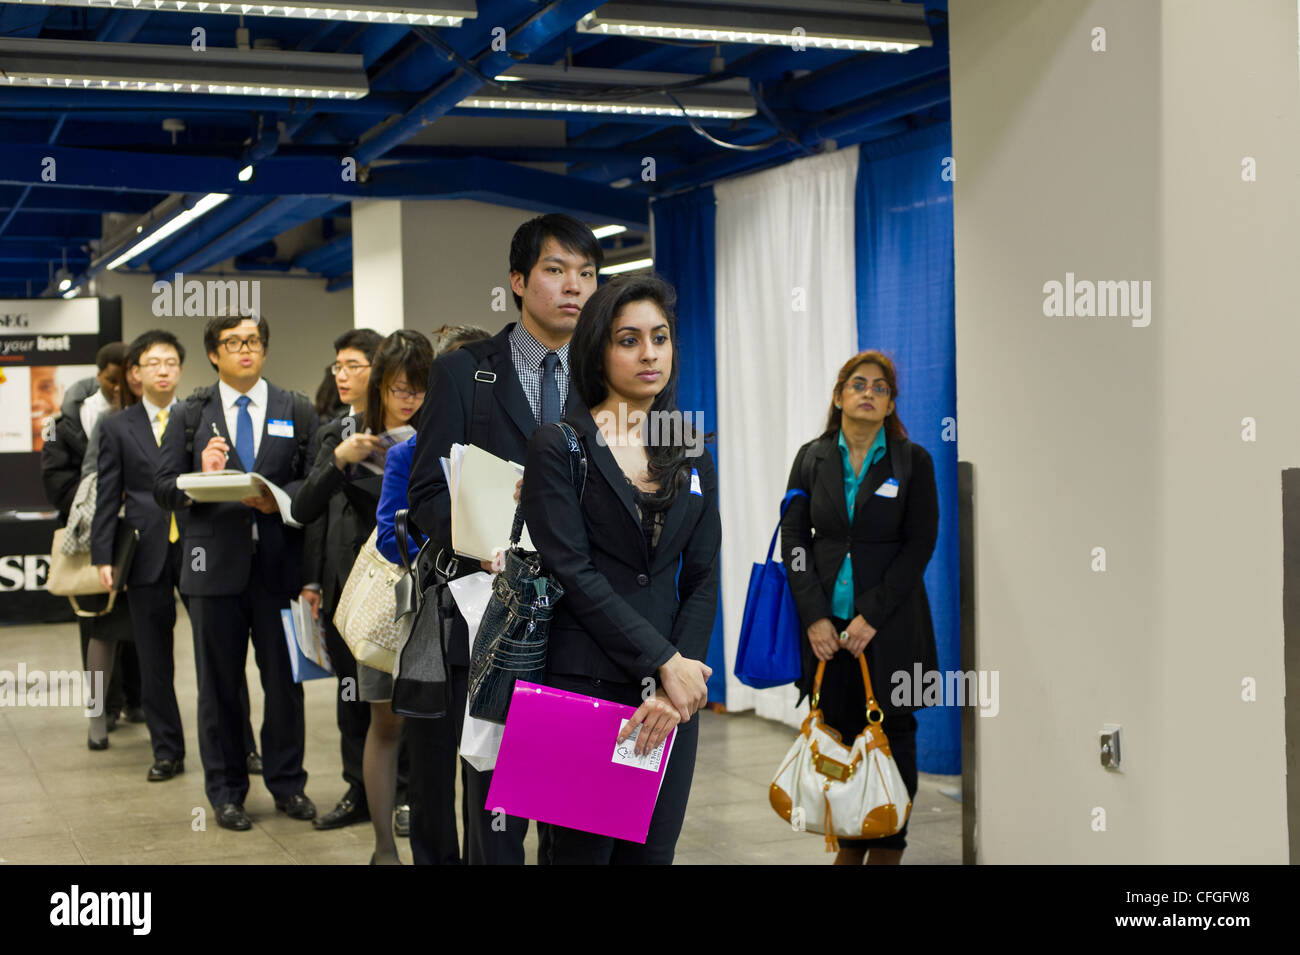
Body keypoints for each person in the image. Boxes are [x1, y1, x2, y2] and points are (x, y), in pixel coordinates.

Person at [407, 214, 603, 865]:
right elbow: (426, 498)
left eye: (587, 273)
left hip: (585, 627)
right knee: (496, 814)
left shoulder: (608, 377)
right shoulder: (466, 373)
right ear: (518, 281)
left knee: (573, 814)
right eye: (556, 270)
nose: (573, 286)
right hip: (495, 620)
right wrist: (480, 537)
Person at [520, 273, 719, 865]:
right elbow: (572, 572)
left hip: (670, 700)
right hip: (582, 684)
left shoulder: (688, 445)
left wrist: (675, 679)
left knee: (651, 857)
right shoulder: (559, 443)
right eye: (628, 339)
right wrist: (663, 663)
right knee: (580, 858)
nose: (649, 352)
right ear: (598, 350)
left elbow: (704, 574)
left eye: (659, 337)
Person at [154, 312, 319, 831]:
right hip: (212, 572)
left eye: (253, 341)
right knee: (219, 687)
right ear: (214, 353)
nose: (244, 349)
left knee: (285, 686)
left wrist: (281, 501)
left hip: (280, 570)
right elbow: (161, 488)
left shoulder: (297, 408)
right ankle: (226, 792)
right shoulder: (190, 413)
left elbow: (315, 487)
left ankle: (288, 784)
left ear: (264, 350)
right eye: (233, 342)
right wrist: (197, 474)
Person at [779, 350, 939, 865]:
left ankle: (889, 847)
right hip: (828, 632)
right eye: (859, 384)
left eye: (881, 388)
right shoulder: (811, 457)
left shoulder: (913, 462)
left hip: (891, 629)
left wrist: (871, 613)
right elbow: (794, 539)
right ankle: (848, 846)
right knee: (841, 741)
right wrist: (814, 615)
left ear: (890, 404)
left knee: (894, 743)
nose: (869, 393)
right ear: (839, 395)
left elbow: (919, 545)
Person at [328, 329, 434, 864]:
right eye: (399, 387)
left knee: (431, 733)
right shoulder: (359, 441)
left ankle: (423, 832)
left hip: (442, 606)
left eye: (419, 387)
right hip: (386, 599)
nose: (409, 398)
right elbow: (385, 532)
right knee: (383, 722)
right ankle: (383, 848)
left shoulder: (444, 438)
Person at [293, 327, 395, 833]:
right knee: (350, 693)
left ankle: (404, 796)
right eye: (337, 365)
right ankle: (359, 788)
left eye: (353, 364)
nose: (342, 374)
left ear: (380, 370)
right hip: (341, 587)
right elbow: (310, 509)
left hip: (395, 585)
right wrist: (312, 583)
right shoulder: (333, 432)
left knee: (398, 698)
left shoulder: (406, 430)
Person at [91, 331, 195, 780]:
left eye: (171, 361)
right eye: (153, 363)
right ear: (136, 373)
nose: (163, 370)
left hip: (198, 546)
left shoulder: (197, 417)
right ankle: (167, 750)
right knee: (155, 659)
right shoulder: (116, 426)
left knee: (219, 653)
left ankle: (241, 746)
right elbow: (107, 493)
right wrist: (103, 555)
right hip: (144, 549)